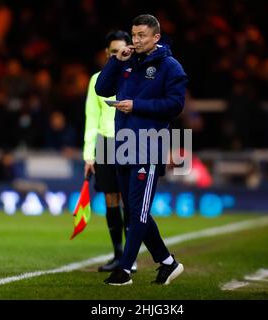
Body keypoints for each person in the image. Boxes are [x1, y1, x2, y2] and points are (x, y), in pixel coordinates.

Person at [95, 14, 188, 285]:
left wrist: (136, 106)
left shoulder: (171, 67)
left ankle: (124, 269)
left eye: (142, 36)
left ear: (156, 38)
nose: (136, 40)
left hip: (149, 146)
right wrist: (115, 60)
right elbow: (102, 88)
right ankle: (168, 262)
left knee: (138, 212)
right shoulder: (128, 61)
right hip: (123, 144)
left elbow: (174, 105)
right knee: (136, 210)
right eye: (133, 35)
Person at [83, 30, 137, 272]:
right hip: (105, 143)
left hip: (128, 141)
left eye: (121, 50)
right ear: (107, 54)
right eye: (113, 51)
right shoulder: (97, 79)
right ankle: (118, 255)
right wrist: (88, 154)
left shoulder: (133, 75)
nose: (118, 54)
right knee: (110, 200)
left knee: (129, 201)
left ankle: (130, 257)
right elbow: (91, 118)